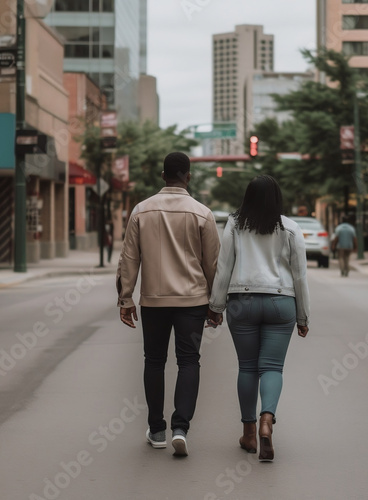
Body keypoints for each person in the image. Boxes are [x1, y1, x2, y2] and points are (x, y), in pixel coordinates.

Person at [116, 152, 220, 457]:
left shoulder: (141, 211)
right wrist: (216, 304)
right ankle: (181, 428)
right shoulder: (203, 213)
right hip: (193, 301)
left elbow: (129, 259)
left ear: (163, 176)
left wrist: (126, 299)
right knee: (189, 361)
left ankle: (157, 429)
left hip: (154, 300)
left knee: (154, 361)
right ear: (188, 177)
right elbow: (212, 264)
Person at [207, 175, 310, 462]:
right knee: (272, 368)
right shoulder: (290, 227)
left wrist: (215, 306)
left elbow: (224, 267)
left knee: (248, 367)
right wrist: (303, 315)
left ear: (247, 197)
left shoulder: (235, 225)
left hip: (243, 302)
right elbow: (300, 275)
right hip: (281, 302)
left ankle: (249, 433)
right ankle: (268, 419)